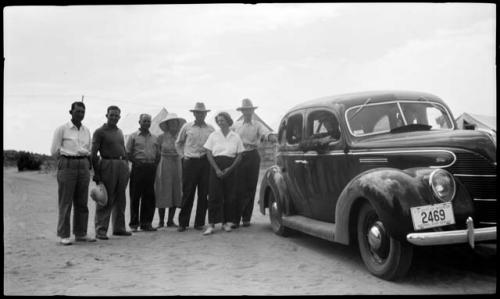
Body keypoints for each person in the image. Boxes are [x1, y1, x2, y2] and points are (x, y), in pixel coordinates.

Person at [50, 101, 94, 245]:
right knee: (66, 201)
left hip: (83, 164)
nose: (80, 114)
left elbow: (89, 149)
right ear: (71, 112)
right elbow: (54, 151)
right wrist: (66, 160)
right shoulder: (62, 129)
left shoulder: (86, 131)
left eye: (83, 112)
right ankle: (64, 234)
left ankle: (80, 233)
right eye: (77, 111)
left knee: (82, 202)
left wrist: (86, 163)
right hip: (67, 163)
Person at [232, 98, 277, 228]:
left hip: (252, 155)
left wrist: (271, 137)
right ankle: (235, 219)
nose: (247, 112)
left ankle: (246, 218)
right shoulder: (236, 125)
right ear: (242, 111)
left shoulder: (257, 124)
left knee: (250, 187)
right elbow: (226, 135)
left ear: (252, 111)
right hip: (239, 155)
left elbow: (266, 132)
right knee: (238, 188)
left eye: (249, 110)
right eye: (245, 110)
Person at [91, 105, 132, 240]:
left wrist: (126, 164)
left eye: (116, 115)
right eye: (112, 115)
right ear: (106, 115)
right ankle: (101, 230)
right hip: (107, 164)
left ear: (119, 117)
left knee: (121, 199)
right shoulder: (99, 132)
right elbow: (93, 153)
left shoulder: (119, 131)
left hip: (122, 165)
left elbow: (123, 149)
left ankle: (119, 228)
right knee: (105, 198)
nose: (114, 117)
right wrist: (96, 173)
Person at [202, 112, 244, 235]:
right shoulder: (213, 135)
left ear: (228, 120)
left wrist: (230, 169)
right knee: (214, 195)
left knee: (229, 196)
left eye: (223, 120)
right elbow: (208, 153)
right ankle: (211, 224)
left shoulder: (235, 136)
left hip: (231, 166)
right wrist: (216, 169)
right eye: (218, 120)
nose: (220, 122)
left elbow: (240, 155)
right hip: (216, 166)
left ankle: (226, 223)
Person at [175, 102, 215, 232]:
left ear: (205, 114)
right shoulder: (187, 127)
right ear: (193, 113)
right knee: (188, 193)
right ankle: (183, 223)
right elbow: (178, 143)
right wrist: (183, 157)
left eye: (202, 113)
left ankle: (199, 223)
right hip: (190, 162)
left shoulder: (211, 129)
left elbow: (215, 144)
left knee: (203, 193)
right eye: (197, 113)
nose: (200, 115)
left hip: (205, 162)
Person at [126, 113, 160, 232]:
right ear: (139, 122)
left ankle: (146, 223)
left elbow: (158, 154)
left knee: (149, 197)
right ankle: (134, 224)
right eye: (144, 121)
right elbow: (128, 153)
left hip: (150, 168)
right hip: (138, 168)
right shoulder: (133, 136)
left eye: (149, 121)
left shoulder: (155, 138)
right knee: (135, 196)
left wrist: (155, 165)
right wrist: (136, 162)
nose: (147, 123)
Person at [154, 113, 186, 228]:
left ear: (178, 124)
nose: (173, 124)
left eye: (175, 122)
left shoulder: (181, 137)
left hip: (177, 164)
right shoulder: (160, 137)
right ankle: (161, 221)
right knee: (162, 191)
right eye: (171, 122)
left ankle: (170, 220)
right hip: (163, 164)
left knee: (175, 191)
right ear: (167, 124)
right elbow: (156, 153)